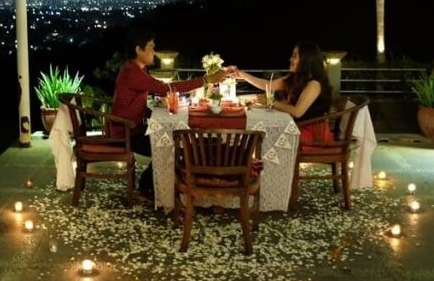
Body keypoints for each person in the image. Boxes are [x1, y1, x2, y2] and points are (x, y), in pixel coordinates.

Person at [111, 27, 228, 198]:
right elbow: (165, 88)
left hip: (133, 127)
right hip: (126, 132)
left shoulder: (137, 69)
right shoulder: (132, 72)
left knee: (171, 139)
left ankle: (151, 184)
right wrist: (205, 80)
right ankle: (149, 185)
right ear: (138, 49)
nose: (154, 51)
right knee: (170, 143)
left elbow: (156, 87)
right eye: (151, 47)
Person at [233, 41, 333, 146]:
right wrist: (242, 75)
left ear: (306, 60)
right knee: (263, 135)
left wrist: (271, 102)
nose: (290, 59)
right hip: (295, 126)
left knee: (265, 136)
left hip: (310, 133)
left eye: (294, 56)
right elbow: (269, 85)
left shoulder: (314, 84)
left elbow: (297, 112)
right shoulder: (295, 77)